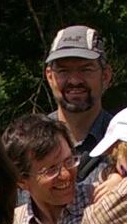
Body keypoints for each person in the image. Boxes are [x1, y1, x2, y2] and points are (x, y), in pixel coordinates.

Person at [43, 24, 116, 184]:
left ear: (105, 76)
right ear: (49, 76)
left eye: (86, 70)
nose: (75, 80)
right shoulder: (30, 144)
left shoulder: (125, 145)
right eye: (63, 71)